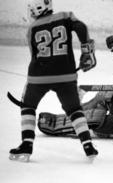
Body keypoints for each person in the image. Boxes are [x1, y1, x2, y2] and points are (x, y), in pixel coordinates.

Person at [9, 0, 98, 162]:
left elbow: (34, 56)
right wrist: (87, 52)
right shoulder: (65, 16)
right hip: (66, 75)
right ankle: (87, 145)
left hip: (38, 76)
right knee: (74, 110)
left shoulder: (31, 29)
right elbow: (81, 27)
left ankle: (26, 144)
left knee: (28, 106)